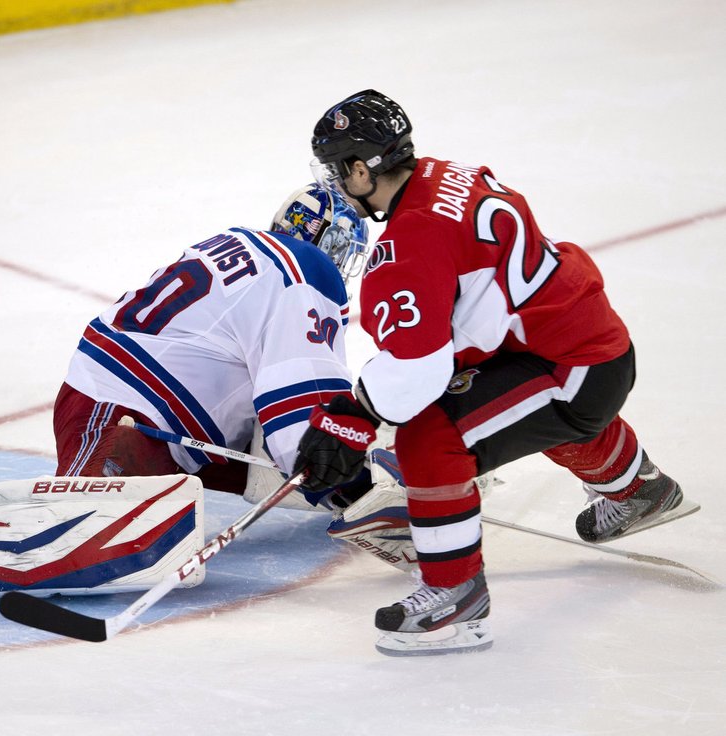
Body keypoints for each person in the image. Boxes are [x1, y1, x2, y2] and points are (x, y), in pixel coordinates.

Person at [293, 90, 690, 656]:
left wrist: (352, 417)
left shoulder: (408, 247)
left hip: (571, 369)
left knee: (432, 436)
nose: (333, 183)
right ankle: (638, 488)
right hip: (586, 343)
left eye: (336, 170)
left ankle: (456, 600)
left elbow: (416, 372)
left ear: (361, 168)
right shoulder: (446, 174)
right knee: (505, 404)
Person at [54, 183, 370, 502]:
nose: (341, 264)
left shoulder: (250, 251)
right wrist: (341, 472)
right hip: (125, 410)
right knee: (79, 522)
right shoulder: (303, 271)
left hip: (138, 407)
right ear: (325, 239)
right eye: (343, 250)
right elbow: (303, 394)